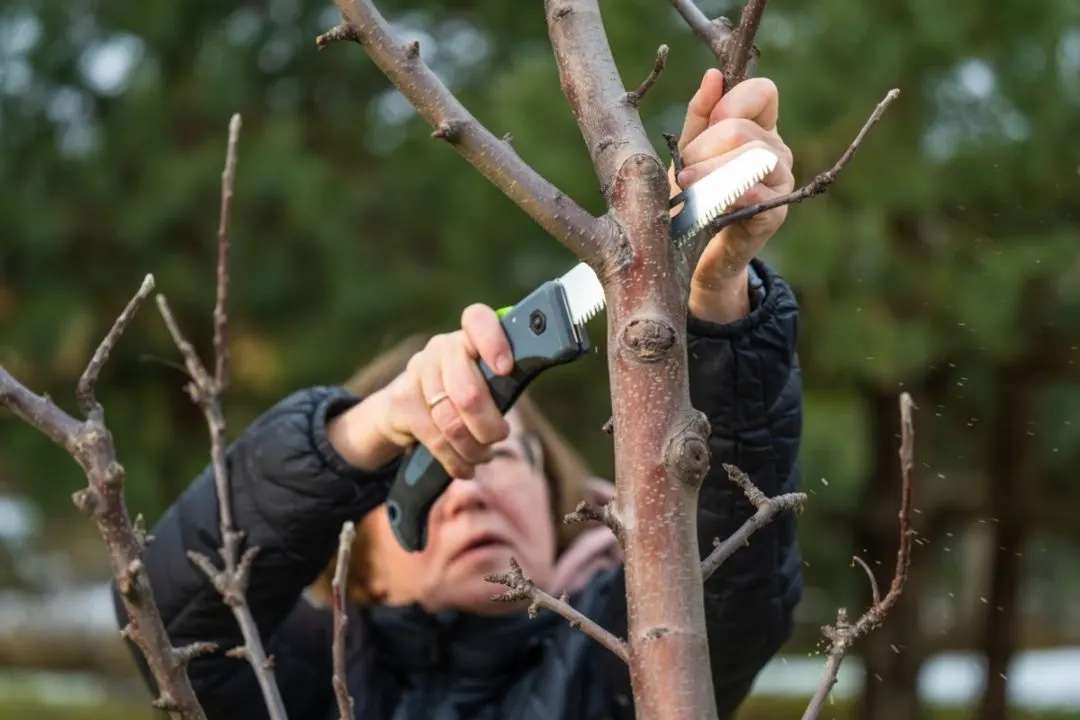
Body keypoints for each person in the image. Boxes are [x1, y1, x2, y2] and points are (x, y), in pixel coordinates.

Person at [120, 69, 802, 719]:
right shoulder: (300, 687)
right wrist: (364, 430)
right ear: (364, 572)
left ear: (557, 505)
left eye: (499, 455)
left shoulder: (625, 665)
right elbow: (171, 613)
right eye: (430, 465)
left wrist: (714, 298)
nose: (469, 491)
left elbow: (735, 588)